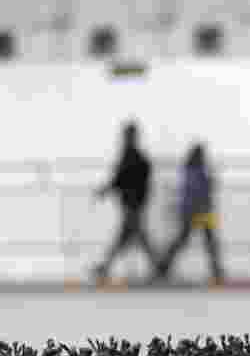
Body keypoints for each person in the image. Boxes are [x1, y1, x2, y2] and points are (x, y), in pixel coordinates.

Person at [92, 122, 156, 281]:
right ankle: (159, 266)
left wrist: (105, 190)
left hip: (131, 203)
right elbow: (124, 178)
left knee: (132, 236)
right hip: (133, 202)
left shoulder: (130, 156)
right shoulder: (135, 156)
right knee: (132, 236)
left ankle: (104, 266)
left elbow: (120, 178)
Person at [155, 143, 224, 284]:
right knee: (205, 241)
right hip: (198, 210)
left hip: (198, 210)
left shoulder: (191, 171)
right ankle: (164, 266)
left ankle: (164, 266)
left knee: (197, 240)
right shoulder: (195, 171)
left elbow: (199, 189)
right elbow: (200, 189)